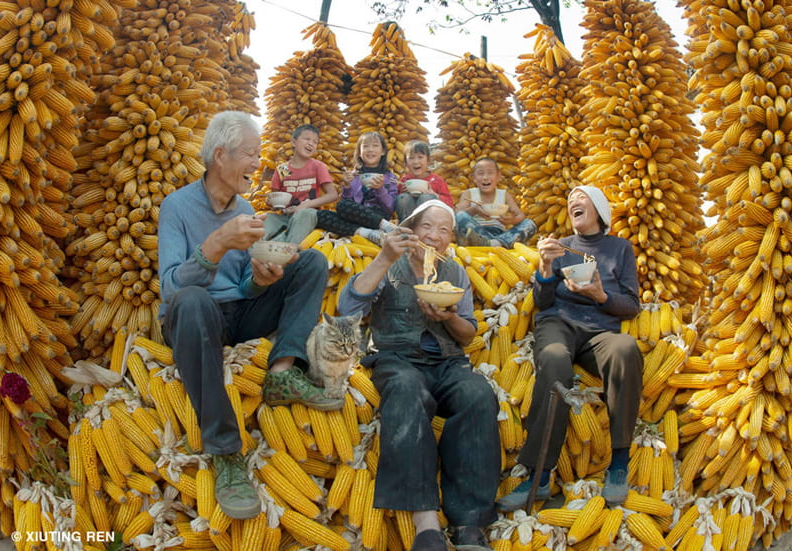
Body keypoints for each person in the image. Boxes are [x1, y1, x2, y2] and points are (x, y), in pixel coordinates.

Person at [158, 111, 344, 521]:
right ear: (220, 156)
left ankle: (282, 370)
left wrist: (261, 279)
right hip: (195, 319)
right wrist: (217, 243)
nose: (258, 163)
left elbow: (244, 286)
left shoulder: (244, 205)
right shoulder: (176, 207)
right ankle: (225, 451)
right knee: (192, 299)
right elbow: (171, 289)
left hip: (238, 314)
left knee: (310, 262)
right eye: (251, 154)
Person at [338, 200, 500, 551]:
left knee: (478, 395)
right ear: (412, 228)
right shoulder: (389, 264)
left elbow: (468, 333)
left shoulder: (455, 273)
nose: (435, 237)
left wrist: (448, 319)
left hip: (447, 362)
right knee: (407, 391)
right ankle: (425, 523)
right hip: (397, 359)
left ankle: (469, 521)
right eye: (428, 227)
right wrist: (382, 258)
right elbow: (348, 307)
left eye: (444, 230)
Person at [496, 185, 642, 511]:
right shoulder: (560, 246)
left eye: (581, 199)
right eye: (570, 201)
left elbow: (632, 305)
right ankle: (540, 475)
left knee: (625, 349)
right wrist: (546, 270)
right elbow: (541, 301)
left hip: (599, 331)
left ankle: (619, 463)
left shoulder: (620, 249)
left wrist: (600, 296)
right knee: (555, 361)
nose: (573, 202)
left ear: (599, 210)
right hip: (558, 323)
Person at [316, 131, 398, 244]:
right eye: (365, 146)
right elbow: (347, 205)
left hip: (378, 216)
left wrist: (380, 189)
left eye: (375, 145)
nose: (370, 149)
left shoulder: (390, 177)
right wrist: (347, 185)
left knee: (343, 208)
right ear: (359, 152)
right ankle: (367, 233)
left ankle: (384, 227)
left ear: (383, 151)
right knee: (322, 215)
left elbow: (390, 207)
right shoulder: (354, 175)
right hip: (356, 217)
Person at [266, 123, 339, 244]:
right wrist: (271, 202)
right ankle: (255, 250)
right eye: (307, 139)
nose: (311, 143)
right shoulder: (283, 169)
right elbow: (275, 196)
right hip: (286, 215)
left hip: (309, 214)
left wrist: (305, 205)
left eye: (315, 142)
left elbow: (332, 195)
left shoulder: (317, 166)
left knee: (304, 214)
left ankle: (286, 248)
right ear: (293, 142)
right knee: (268, 219)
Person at [455, 157, 536, 248]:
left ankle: (496, 243)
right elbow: (458, 214)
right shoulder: (469, 193)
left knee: (529, 224)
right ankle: (493, 244)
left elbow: (520, 215)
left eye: (490, 173)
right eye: (481, 174)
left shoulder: (504, 194)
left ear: (498, 177)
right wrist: (474, 210)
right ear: (474, 178)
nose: (485, 177)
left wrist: (510, 221)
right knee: (461, 216)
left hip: (499, 235)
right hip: (477, 234)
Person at [395, 139, 453, 222]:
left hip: (430, 222)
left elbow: (450, 203)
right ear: (405, 162)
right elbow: (395, 204)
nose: (416, 162)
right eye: (411, 158)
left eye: (420, 157)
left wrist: (435, 195)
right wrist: (402, 192)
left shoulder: (437, 180)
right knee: (403, 198)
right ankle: (406, 229)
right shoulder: (404, 181)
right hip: (409, 220)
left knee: (426, 197)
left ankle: (424, 228)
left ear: (428, 160)